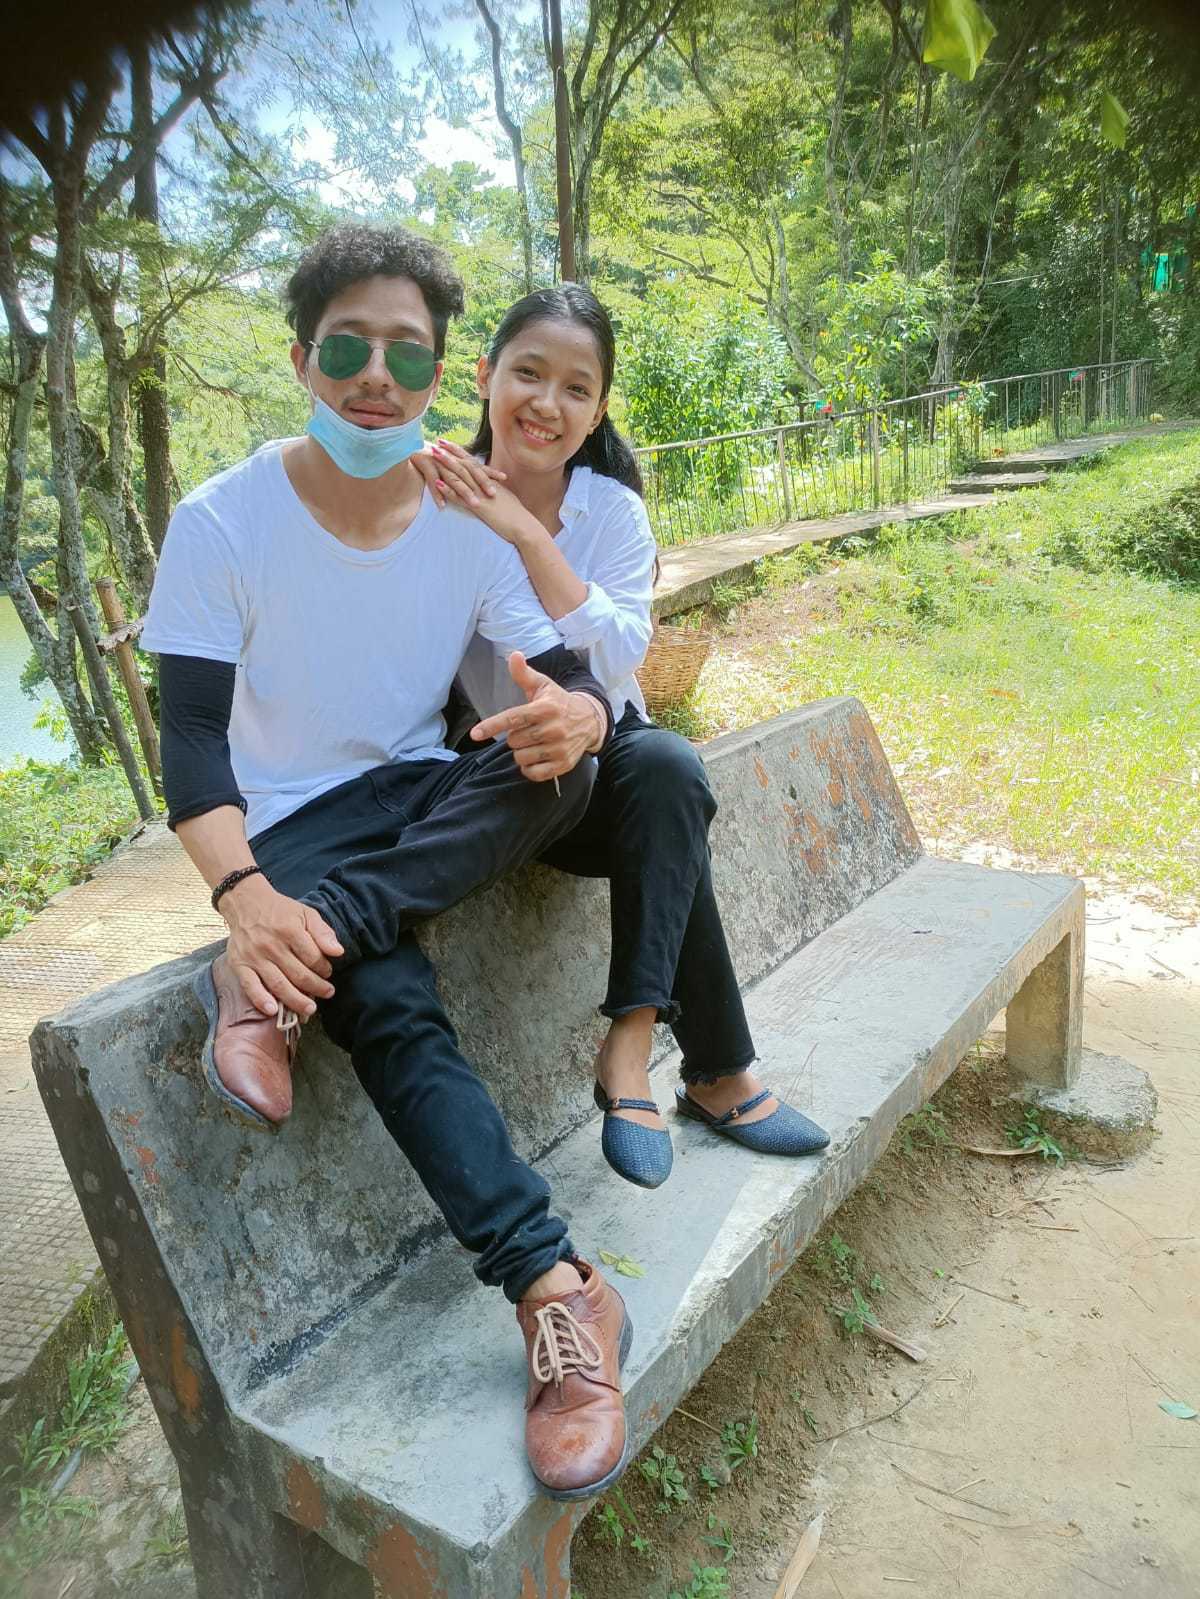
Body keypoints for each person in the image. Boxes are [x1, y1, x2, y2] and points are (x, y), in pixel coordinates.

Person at [139, 225, 633, 1502]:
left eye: (406, 355)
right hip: (287, 827)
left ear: (438, 374)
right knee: (381, 995)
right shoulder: (222, 520)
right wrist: (247, 899)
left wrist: (579, 713)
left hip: (411, 795)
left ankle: (293, 959)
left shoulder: (467, 515)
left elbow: (555, 673)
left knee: (559, 764)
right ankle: (558, 1292)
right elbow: (188, 738)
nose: (376, 376)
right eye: (347, 347)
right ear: (301, 358)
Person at [415, 286, 830, 1192]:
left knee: (668, 767)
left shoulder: (610, 511)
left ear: (599, 409)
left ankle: (631, 1045)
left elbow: (620, 656)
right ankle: (719, 1075)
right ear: (484, 376)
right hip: (499, 776)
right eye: (528, 373)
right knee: (673, 798)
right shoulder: (434, 490)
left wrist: (524, 533)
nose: (547, 403)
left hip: (610, 768)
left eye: (576, 388)